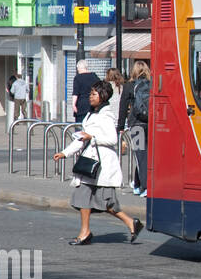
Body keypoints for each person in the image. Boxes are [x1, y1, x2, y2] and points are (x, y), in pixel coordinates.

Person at [53, 80, 142, 246]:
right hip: (90, 162)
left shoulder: (106, 115)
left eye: (94, 94)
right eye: (91, 94)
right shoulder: (91, 113)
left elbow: (112, 139)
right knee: (82, 197)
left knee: (107, 203)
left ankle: (131, 223)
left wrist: (92, 137)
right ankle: (85, 232)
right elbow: (82, 138)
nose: (90, 97)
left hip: (102, 165)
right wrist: (64, 153)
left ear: (103, 96)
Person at [118, 61, 151, 197]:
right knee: (147, 155)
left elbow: (123, 107)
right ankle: (137, 184)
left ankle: (145, 187)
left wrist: (120, 126)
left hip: (136, 124)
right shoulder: (152, 85)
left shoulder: (129, 86)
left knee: (140, 155)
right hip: (150, 123)